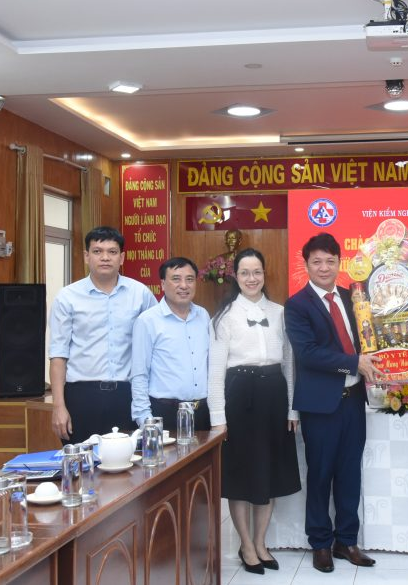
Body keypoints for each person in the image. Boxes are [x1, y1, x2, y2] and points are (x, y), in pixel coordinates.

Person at [284, 233, 381, 573]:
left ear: (340, 263)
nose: (324, 267)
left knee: (350, 474)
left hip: (353, 401)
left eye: (330, 261)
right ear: (306, 265)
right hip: (320, 406)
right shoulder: (297, 305)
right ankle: (320, 543)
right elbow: (308, 355)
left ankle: (347, 541)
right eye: (317, 262)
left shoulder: (353, 297)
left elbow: (367, 338)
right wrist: (353, 364)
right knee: (321, 475)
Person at [208, 248, 301, 575]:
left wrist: (293, 410)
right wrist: (218, 418)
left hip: (274, 395)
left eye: (257, 272)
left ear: (264, 274)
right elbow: (216, 372)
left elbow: (289, 364)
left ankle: (261, 543)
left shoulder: (280, 313)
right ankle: (246, 545)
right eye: (245, 272)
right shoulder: (223, 317)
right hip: (239, 398)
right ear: (236, 276)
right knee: (241, 475)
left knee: (269, 471)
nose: (252, 278)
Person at [48, 226, 156, 443]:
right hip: (82, 396)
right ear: (86, 256)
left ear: (122, 257)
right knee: (83, 461)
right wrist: (58, 406)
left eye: (112, 252)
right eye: (97, 251)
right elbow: (58, 355)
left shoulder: (140, 294)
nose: (105, 257)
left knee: (131, 460)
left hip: (127, 395)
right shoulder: (67, 297)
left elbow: (155, 344)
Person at [130, 257, 212, 432]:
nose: (184, 285)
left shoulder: (203, 316)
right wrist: (145, 420)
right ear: (162, 284)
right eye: (176, 279)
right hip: (165, 413)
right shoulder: (148, 320)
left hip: (202, 412)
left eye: (189, 279)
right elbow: (139, 374)